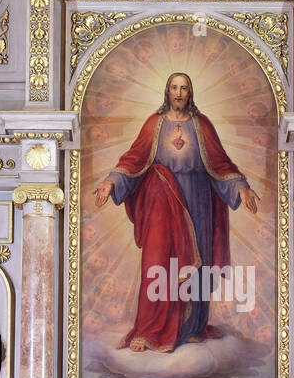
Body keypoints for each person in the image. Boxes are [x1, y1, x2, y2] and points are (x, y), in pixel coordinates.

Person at [94, 72, 258, 352]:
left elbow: (221, 162)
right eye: (174, 88)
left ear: (190, 92)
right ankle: (151, 330)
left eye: (184, 88)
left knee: (198, 263)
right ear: (167, 92)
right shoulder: (154, 124)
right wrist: (111, 181)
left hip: (199, 201)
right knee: (160, 263)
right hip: (164, 202)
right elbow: (134, 159)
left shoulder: (201, 124)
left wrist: (241, 187)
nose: (179, 93)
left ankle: (192, 326)